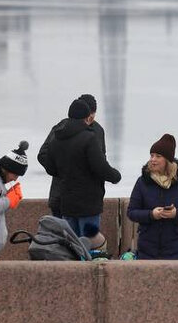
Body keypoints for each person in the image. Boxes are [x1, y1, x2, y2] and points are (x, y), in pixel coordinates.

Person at [41, 96, 122, 243]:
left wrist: (65, 172)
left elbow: (49, 164)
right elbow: (100, 166)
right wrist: (115, 176)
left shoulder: (57, 136)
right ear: (87, 116)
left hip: (65, 201)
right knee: (89, 245)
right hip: (88, 202)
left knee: (69, 246)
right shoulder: (89, 137)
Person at [127, 133, 178, 260]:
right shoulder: (142, 182)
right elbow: (131, 212)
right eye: (151, 155)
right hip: (147, 250)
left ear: (167, 160)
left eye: (158, 156)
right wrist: (152, 214)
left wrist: (176, 213)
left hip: (177, 249)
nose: (152, 159)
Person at [38, 93, 105, 217]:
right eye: (88, 116)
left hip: (88, 199)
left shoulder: (98, 130)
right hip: (61, 197)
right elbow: (43, 154)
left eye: (92, 116)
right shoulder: (61, 128)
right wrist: (64, 171)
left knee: (84, 236)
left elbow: (101, 160)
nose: (89, 119)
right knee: (65, 234)